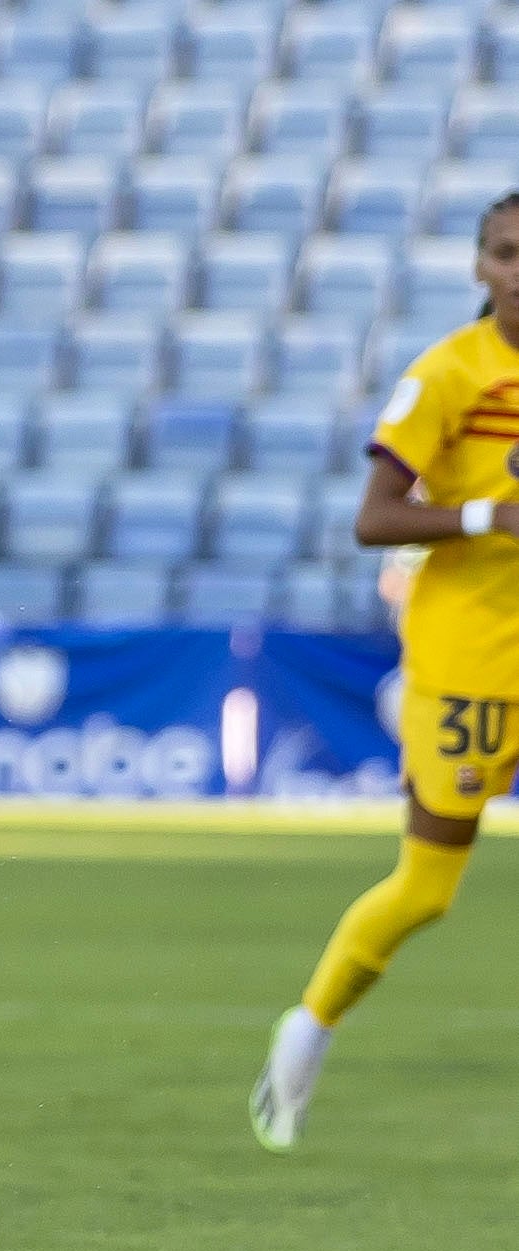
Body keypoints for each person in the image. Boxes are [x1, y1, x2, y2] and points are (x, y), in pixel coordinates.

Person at [251, 191, 519, 1151]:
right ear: (479, 267)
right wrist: (488, 517)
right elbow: (373, 517)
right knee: (427, 887)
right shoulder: (448, 375)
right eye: (504, 252)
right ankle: (307, 1029)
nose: (518, 268)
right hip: (469, 660)